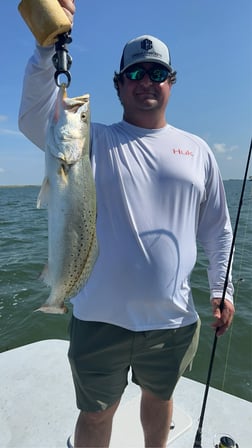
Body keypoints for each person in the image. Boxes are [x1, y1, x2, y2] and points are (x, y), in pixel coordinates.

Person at [18, 1, 235, 447]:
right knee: (96, 416)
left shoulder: (198, 151)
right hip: (99, 318)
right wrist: (46, 51)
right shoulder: (90, 140)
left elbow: (217, 229)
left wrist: (221, 288)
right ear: (119, 85)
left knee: (159, 403)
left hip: (173, 320)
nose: (146, 82)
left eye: (156, 73)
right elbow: (33, 118)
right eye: (135, 74)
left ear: (171, 83)